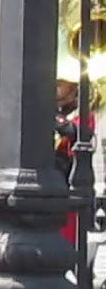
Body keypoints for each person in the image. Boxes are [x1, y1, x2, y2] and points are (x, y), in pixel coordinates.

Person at [54, 78, 91, 245]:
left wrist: (59, 121)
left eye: (61, 84)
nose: (57, 87)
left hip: (69, 174)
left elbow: (78, 132)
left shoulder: (81, 111)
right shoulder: (51, 109)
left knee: (68, 229)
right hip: (49, 172)